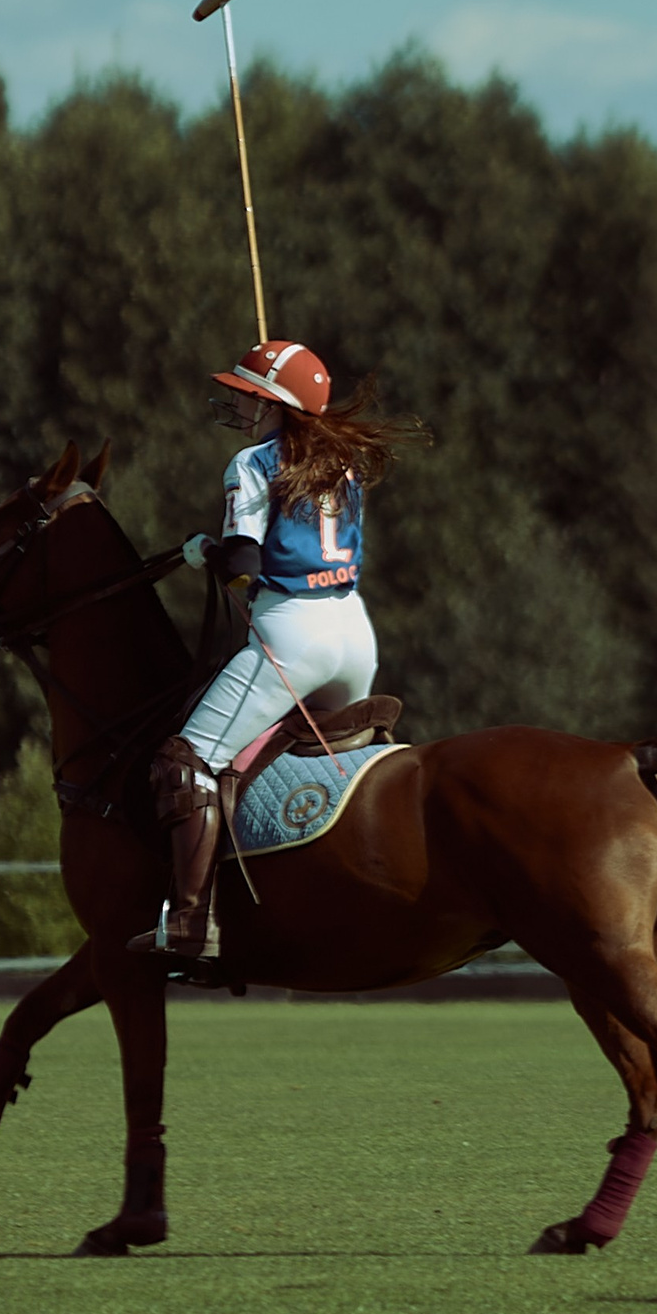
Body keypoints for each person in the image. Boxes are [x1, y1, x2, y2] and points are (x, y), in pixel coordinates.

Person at [144, 341, 420, 970]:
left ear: (273, 403)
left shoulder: (251, 463)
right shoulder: (344, 458)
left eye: (248, 393)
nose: (239, 403)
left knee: (186, 759)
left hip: (294, 635)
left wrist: (203, 554)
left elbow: (242, 567)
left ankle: (192, 923)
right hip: (355, 635)